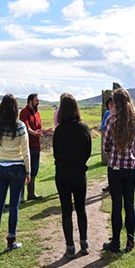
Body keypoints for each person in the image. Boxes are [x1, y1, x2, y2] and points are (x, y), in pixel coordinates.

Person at [102, 88, 135, 253]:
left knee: (116, 206)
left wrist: (114, 151)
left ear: (116, 103)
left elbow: (106, 146)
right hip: (130, 167)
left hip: (116, 168)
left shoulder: (112, 121)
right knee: (130, 205)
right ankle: (130, 242)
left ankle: (116, 242)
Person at [53, 93, 92, 259]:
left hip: (62, 173)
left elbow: (56, 153)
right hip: (78, 172)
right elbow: (88, 150)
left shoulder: (59, 130)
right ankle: (84, 242)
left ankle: (70, 246)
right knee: (81, 208)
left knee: (66, 210)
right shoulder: (83, 128)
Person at [0, 94, 31, 251]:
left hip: (0, 167)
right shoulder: (20, 126)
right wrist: (28, 171)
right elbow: (26, 151)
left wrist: (6, 103)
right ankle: (11, 240)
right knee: (14, 205)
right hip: (17, 168)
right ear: (16, 109)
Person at [19, 93, 53, 200]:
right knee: (25, 170)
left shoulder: (37, 113)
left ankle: (31, 193)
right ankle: (21, 197)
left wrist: (46, 131)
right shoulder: (24, 112)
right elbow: (26, 128)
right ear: (30, 101)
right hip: (27, 146)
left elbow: (39, 128)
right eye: (36, 100)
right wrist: (35, 133)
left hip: (36, 146)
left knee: (34, 170)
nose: (38, 102)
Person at [100, 97, 114, 192]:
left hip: (116, 142)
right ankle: (110, 184)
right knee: (110, 165)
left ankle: (114, 184)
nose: (111, 106)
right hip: (108, 141)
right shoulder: (107, 113)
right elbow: (102, 126)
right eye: (109, 104)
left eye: (112, 103)